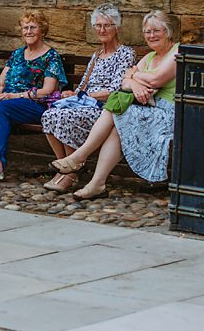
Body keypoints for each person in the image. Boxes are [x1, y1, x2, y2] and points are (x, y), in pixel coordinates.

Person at [51, 10, 179, 200]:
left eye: (156, 31)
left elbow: (156, 80)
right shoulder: (151, 57)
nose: (151, 36)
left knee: (117, 109)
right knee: (117, 119)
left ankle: (80, 158)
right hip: (149, 110)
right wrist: (134, 82)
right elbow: (124, 81)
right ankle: (96, 183)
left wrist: (133, 76)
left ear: (168, 31)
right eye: (147, 32)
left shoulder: (177, 51)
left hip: (169, 114)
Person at [40, 3, 135, 194]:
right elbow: (83, 85)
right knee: (50, 115)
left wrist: (83, 95)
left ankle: (72, 173)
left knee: (65, 117)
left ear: (116, 28)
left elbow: (115, 90)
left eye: (107, 25)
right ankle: (66, 167)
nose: (102, 30)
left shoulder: (126, 53)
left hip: (103, 108)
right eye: (98, 26)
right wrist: (73, 94)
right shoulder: (96, 55)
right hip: (86, 103)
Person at [0, 10, 67, 186]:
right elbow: (2, 80)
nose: (28, 31)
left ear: (42, 30)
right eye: (25, 27)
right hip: (8, 99)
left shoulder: (51, 57)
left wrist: (15, 95)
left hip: (34, 103)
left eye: (33, 27)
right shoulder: (17, 54)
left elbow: (47, 90)